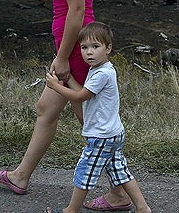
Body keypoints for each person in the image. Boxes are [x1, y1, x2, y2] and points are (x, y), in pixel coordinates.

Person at [0, 0, 132, 210]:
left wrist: (64, 56)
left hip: (76, 49)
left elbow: (77, 10)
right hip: (72, 46)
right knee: (46, 108)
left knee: (94, 126)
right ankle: (21, 175)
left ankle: (121, 193)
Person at [44, 22, 151, 213]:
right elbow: (84, 92)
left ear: (108, 48)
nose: (89, 52)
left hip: (102, 136)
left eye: (95, 47)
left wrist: (55, 86)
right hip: (112, 133)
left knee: (84, 171)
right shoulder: (100, 70)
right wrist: (67, 79)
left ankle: (71, 210)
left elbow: (79, 97)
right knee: (119, 172)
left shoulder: (102, 73)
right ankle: (143, 207)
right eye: (84, 48)